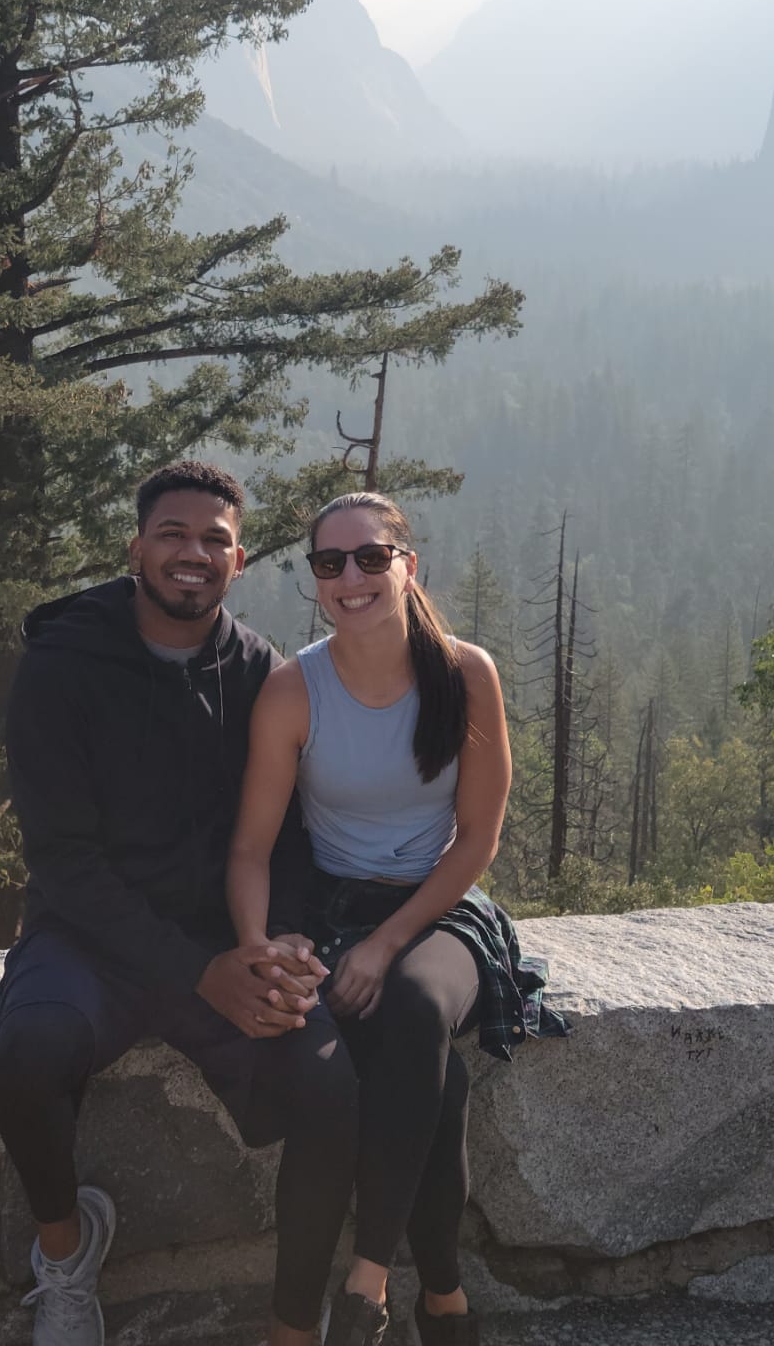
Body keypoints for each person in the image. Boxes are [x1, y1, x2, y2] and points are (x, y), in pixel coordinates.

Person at [0, 461, 359, 1346]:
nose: (192, 554)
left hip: (222, 933)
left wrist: (283, 944)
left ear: (237, 561)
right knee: (31, 1051)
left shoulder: (261, 674)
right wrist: (200, 975)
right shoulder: (60, 665)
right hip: (88, 940)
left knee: (330, 1084)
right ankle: (67, 1258)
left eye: (214, 541)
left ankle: (289, 1327)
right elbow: (65, 863)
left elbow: (290, 836)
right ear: (136, 549)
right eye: (172, 535)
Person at [230, 491, 539, 1346]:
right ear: (315, 582)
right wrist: (257, 947)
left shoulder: (465, 674)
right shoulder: (296, 689)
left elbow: (477, 839)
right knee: (431, 1080)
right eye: (330, 563)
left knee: (409, 1003)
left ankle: (363, 1287)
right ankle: (442, 1300)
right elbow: (251, 849)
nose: (351, 577)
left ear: (410, 566)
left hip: (441, 912)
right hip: (336, 912)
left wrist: (388, 941)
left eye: (371, 557)